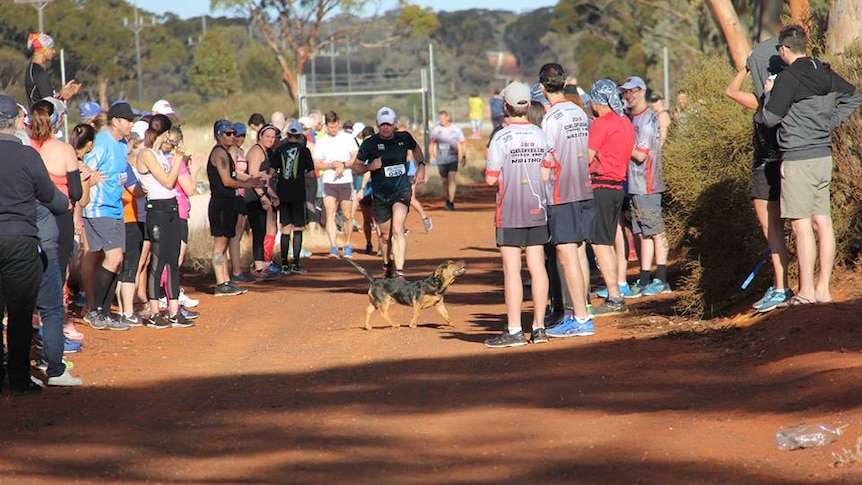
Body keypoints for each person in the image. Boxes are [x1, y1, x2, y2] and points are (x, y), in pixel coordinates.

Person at [760, 24, 862, 306]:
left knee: (801, 225)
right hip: (822, 156)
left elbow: (769, 119)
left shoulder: (788, 78)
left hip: (798, 158)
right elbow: (854, 95)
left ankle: (805, 291)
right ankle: (822, 290)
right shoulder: (824, 71)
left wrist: (769, 92)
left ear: (784, 50)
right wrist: (830, 123)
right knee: (823, 223)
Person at [0, 94, 62, 395]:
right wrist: (67, 201)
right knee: (21, 312)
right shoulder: (27, 156)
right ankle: (20, 378)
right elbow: (53, 198)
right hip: (20, 240)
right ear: (16, 122)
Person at [483, 82, 551, 348]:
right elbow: (546, 173)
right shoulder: (540, 134)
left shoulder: (501, 137)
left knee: (512, 270)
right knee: (537, 266)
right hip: (537, 208)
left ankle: (514, 330)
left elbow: (491, 179)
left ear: (506, 106)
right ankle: (539, 328)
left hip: (509, 210)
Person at [724, 37, 791, 312]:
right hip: (771, 167)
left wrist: (749, 67)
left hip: (770, 168)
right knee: (777, 228)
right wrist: (750, 66)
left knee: (776, 229)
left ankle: (782, 287)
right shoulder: (766, 99)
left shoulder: (771, 101)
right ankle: (781, 285)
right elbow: (730, 92)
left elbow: (731, 90)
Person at [534, 63, 596, 339]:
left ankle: (580, 317)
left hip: (561, 192)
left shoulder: (552, 118)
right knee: (579, 250)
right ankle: (581, 311)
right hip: (584, 187)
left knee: (567, 254)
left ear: (543, 87)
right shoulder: (579, 112)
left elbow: (547, 159)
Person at [81, 101, 140, 331]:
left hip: (115, 208)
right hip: (98, 208)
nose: (130, 124)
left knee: (118, 261)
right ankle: (94, 310)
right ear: (115, 121)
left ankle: (105, 311)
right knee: (113, 258)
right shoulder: (101, 143)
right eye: (128, 120)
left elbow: (124, 173)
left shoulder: (123, 144)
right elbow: (83, 169)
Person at [353, 107, 427, 279]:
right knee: (385, 236)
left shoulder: (404, 138)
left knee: (398, 228)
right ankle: (387, 265)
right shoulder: (370, 143)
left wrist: (421, 165)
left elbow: (416, 149)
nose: (386, 128)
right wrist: (369, 167)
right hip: (380, 194)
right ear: (378, 125)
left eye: (389, 124)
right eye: (382, 125)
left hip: (401, 190)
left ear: (395, 124)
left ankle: (400, 273)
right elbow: (356, 167)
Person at [587, 79, 636, 317]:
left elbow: (586, 157)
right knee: (610, 239)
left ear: (599, 101)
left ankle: (614, 295)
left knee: (601, 243)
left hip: (602, 186)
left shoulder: (602, 123)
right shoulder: (625, 122)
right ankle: (616, 291)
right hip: (618, 186)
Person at [620, 76, 672, 296]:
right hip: (635, 184)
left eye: (632, 91)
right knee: (643, 233)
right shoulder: (633, 118)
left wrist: (622, 142)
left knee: (656, 232)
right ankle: (644, 279)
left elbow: (640, 155)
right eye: (625, 92)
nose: (628, 95)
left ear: (642, 91)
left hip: (648, 183)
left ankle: (661, 279)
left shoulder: (647, 119)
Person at [207, 120, 265, 296]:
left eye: (233, 133)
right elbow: (227, 181)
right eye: (228, 134)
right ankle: (221, 283)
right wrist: (250, 183)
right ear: (219, 135)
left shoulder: (225, 153)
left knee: (224, 244)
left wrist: (249, 182)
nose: (232, 137)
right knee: (220, 244)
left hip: (228, 202)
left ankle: (225, 280)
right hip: (221, 203)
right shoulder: (219, 154)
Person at [270, 121, 316, 274]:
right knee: (297, 227)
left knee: (285, 228)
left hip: (283, 192)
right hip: (298, 192)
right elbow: (310, 174)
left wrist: (283, 175)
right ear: (300, 135)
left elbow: (271, 171)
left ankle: (284, 264)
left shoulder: (279, 150)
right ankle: (296, 264)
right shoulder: (304, 151)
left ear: (288, 134)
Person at [314, 111, 358, 259]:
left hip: (345, 181)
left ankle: (347, 244)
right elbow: (317, 163)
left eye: (336, 126)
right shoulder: (321, 142)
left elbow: (355, 157)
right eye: (331, 127)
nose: (334, 129)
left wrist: (343, 165)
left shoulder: (348, 138)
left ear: (339, 123)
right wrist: (331, 165)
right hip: (329, 182)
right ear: (326, 126)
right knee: (330, 213)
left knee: (347, 215)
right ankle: (333, 247)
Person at [241, 121, 280, 280]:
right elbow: (253, 176)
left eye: (273, 137)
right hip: (254, 195)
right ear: (260, 136)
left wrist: (272, 195)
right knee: (258, 230)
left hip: (262, 195)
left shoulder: (266, 151)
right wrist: (263, 196)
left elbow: (265, 178)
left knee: (263, 230)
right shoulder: (257, 151)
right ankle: (258, 267)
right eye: (267, 136)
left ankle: (263, 263)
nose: (270, 139)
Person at [25, 32, 80, 107]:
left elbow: (49, 100)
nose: (54, 51)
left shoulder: (35, 69)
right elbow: (49, 104)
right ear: (42, 49)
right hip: (40, 117)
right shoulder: (38, 72)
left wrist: (62, 95)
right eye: (51, 48)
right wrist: (61, 96)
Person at [429, 110, 466, 211]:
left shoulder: (455, 129)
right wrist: (432, 156)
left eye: (443, 118)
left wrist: (463, 156)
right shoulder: (436, 130)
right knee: (444, 180)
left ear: (448, 118)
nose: (442, 120)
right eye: (440, 119)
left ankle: (451, 201)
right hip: (441, 158)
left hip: (453, 157)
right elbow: (432, 144)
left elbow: (462, 142)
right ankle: (447, 198)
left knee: (452, 177)